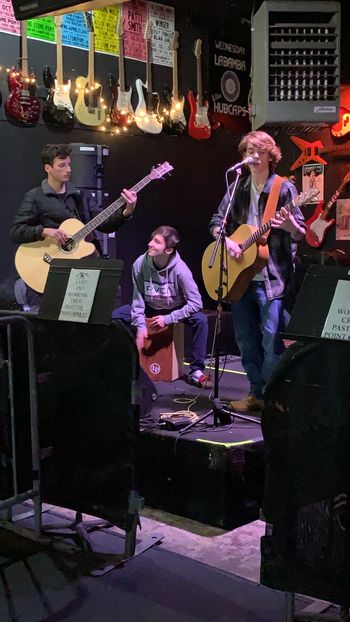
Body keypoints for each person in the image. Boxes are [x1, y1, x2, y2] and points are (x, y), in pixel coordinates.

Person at [209, 130, 306, 412]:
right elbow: (216, 221)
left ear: (269, 155)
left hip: (271, 277)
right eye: (248, 151)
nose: (252, 157)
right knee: (245, 339)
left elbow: (300, 235)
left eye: (258, 151)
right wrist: (226, 240)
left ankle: (274, 396)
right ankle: (255, 393)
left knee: (271, 340)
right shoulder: (237, 186)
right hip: (241, 277)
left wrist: (289, 227)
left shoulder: (283, 188)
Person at [9, 143, 137, 308]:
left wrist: (126, 211)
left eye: (69, 164)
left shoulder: (81, 195)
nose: (68, 169)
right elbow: (15, 232)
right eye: (62, 165)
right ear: (48, 168)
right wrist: (44, 231)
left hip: (80, 272)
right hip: (50, 268)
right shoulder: (35, 197)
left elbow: (104, 224)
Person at [113, 225, 212, 389]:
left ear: (168, 250)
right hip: (150, 306)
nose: (150, 244)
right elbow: (137, 297)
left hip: (174, 309)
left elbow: (196, 303)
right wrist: (140, 325)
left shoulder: (181, 270)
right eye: (152, 239)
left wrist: (168, 319)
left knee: (200, 320)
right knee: (115, 318)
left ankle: (196, 371)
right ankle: (125, 363)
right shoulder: (140, 264)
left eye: (157, 242)